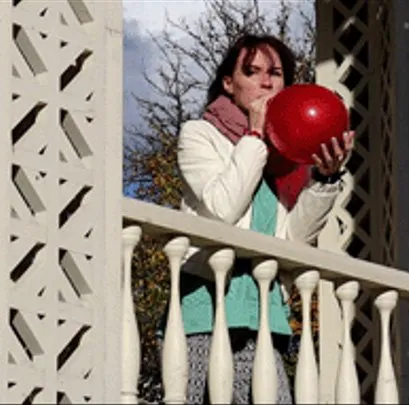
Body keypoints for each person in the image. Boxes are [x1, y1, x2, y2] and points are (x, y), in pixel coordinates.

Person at [166, 33, 354, 404]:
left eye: (277, 73)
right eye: (252, 72)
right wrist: (254, 135)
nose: (266, 82)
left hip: (265, 316)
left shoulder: (288, 155)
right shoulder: (199, 135)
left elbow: (293, 241)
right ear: (228, 83)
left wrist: (326, 178)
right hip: (208, 314)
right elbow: (222, 209)